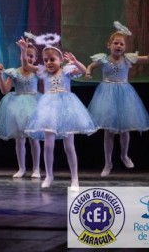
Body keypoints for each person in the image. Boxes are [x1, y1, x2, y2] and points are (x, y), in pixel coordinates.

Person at [23, 34, 97, 191]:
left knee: (69, 146)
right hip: (49, 109)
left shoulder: (66, 71)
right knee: (48, 145)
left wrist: (75, 62)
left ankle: (75, 178)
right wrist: (24, 50)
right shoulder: (43, 72)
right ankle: (49, 175)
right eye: (46, 60)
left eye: (52, 59)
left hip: (66, 109)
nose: (48, 63)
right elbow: (26, 65)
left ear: (61, 60)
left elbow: (83, 70)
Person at [84, 22, 149, 176]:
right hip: (106, 95)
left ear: (125, 47)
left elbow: (146, 59)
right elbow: (91, 66)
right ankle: (108, 163)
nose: (118, 46)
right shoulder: (103, 60)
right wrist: (88, 71)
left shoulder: (128, 59)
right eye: (116, 43)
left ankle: (124, 155)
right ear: (109, 45)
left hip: (125, 95)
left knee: (125, 129)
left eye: (121, 44)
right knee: (109, 132)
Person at [0, 37, 42, 179]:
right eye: (26, 55)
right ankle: (21, 168)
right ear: (21, 56)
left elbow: (43, 89)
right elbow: (4, 90)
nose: (29, 58)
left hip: (34, 104)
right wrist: (0, 75)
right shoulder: (14, 72)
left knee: (34, 138)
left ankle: (36, 168)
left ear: (35, 58)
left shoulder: (37, 72)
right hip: (18, 106)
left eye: (31, 56)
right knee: (19, 139)